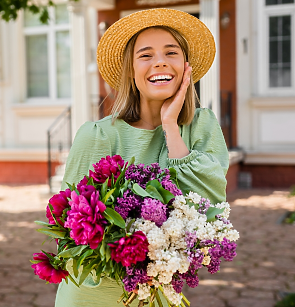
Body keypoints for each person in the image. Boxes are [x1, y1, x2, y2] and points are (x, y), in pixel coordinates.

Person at [55, 8, 229, 307]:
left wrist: (171, 127)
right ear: (131, 71)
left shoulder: (201, 127)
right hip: (93, 294)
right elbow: (68, 227)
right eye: (145, 55)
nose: (159, 61)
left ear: (185, 67)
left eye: (170, 52)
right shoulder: (98, 136)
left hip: (160, 296)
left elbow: (208, 205)